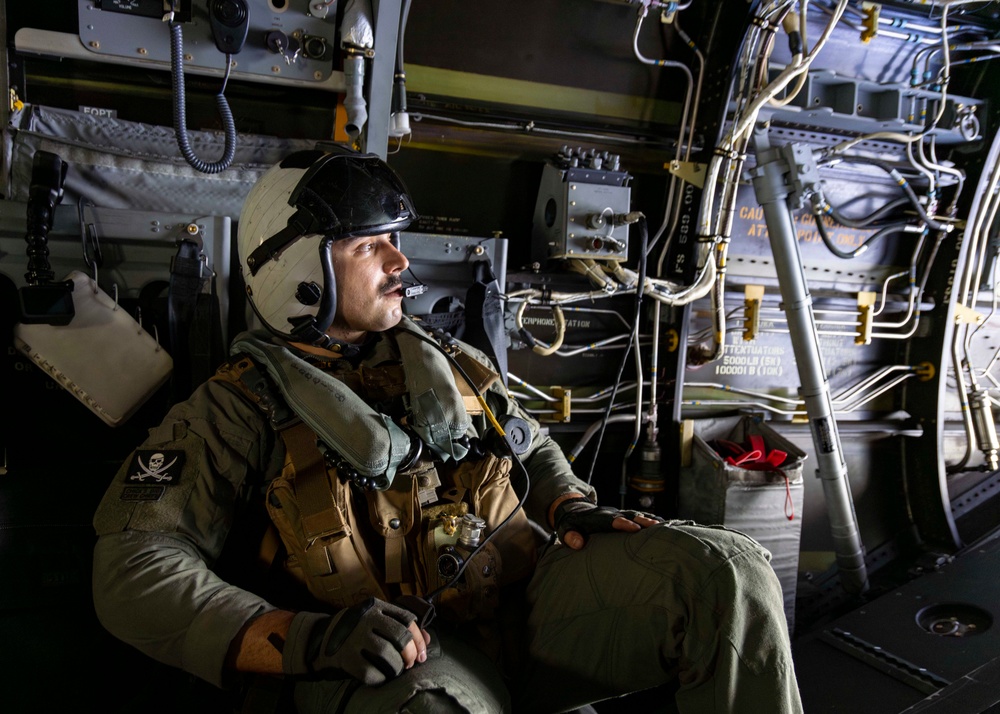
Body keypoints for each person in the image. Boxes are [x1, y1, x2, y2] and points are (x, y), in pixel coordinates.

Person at [92, 145, 803, 714]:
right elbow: (133, 569)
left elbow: (532, 446)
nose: (401, 262)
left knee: (729, 572)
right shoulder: (232, 410)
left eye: (393, 241)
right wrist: (306, 639)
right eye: (370, 245)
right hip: (406, 662)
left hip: (525, 606)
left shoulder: (447, 361)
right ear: (297, 268)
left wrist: (567, 502)